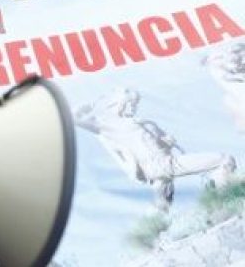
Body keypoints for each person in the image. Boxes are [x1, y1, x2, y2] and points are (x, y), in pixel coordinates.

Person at [75, 88, 236, 212]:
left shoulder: (142, 123)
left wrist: (166, 142)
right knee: (224, 159)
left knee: (162, 204)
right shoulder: (110, 125)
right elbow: (75, 119)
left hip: (162, 163)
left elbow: (154, 144)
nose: (133, 106)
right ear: (119, 104)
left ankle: (154, 229)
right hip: (162, 165)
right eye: (129, 103)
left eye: (135, 103)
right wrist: (86, 106)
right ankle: (222, 200)